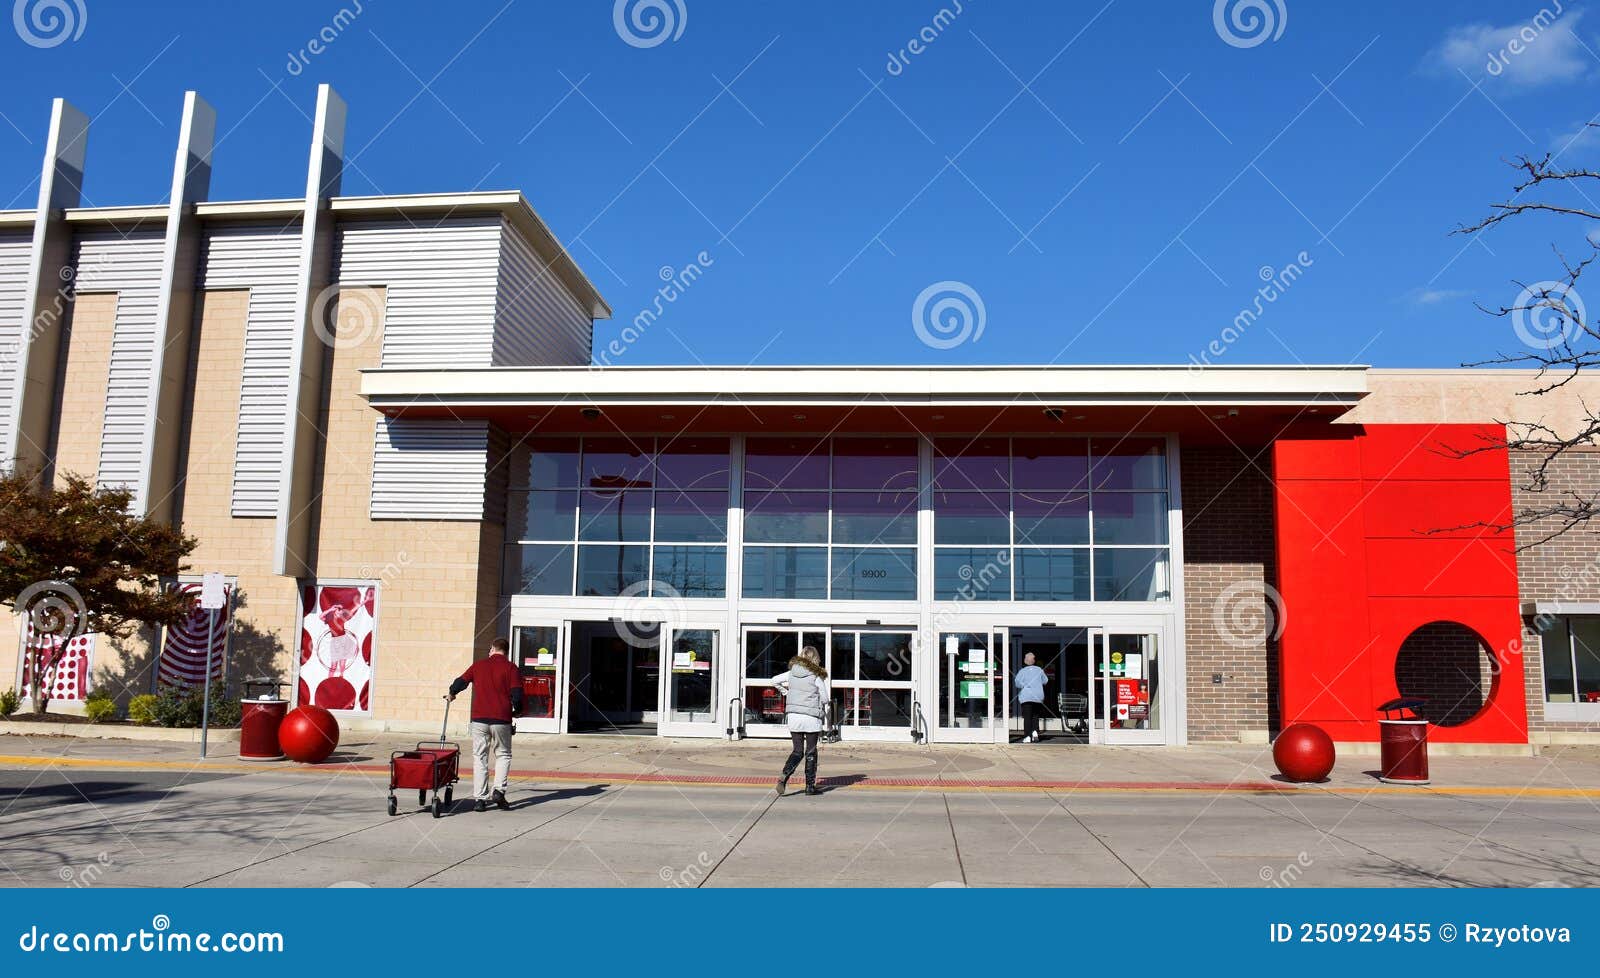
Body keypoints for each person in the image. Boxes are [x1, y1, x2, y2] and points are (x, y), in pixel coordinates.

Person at [447, 637, 524, 812]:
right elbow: (517, 695)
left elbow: (461, 681)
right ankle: (498, 790)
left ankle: (480, 800)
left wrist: (452, 693)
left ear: (492, 649)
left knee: (480, 757)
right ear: (506, 651)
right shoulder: (511, 668)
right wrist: (517, 711)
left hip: (479, 719)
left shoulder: (478, 666)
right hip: (501, 719)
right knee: (503, 754)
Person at [771, 645, 829, 796]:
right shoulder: (816, 676)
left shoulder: (791, 673)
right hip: (811, 718)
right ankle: (810, 787)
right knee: (811, 751)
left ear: (802, 656)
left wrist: (786, 692)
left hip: (794, 717)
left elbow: (774, 680)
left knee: (797, 751)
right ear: (816, 658)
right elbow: (825, 698)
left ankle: (784, 776)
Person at [1014, 651, 1047, 743]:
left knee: (1027, 717)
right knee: (1035, 715)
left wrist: (1024, 684)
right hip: (1038, 697)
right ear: (1034, 661)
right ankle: (1035, 731)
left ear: (1025, 661)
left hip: (1026, 697)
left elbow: (1017, 683)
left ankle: (1028, 736)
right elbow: (1045, 681)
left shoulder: (1022, 671)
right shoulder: (1040, 670)